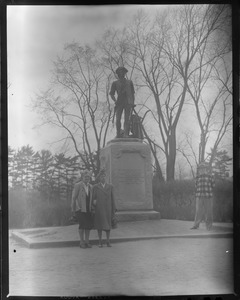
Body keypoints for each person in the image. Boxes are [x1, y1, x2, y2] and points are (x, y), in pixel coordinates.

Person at [92, 169, 116, 247]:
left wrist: (114, 208)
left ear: (106, 177)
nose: (103, 178)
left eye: (104, 176)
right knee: (99, 225)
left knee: (108, 225)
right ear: (99, 178)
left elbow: (113, 198)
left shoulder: (110, 186)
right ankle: (100, 241)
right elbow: (93, 198)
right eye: (101, 176)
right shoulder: (95, 187)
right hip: (99, 208)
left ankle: (108, 241)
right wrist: (94, 205)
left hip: (108, 208)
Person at [109, 66, 135, 138]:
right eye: (120, 72)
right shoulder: (115, 83)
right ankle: (118, 134)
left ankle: (126, 134)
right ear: (118, 74)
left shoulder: (129, 82)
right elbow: (111, 93)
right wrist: (115, 101)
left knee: (127, 119)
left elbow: (132, 94)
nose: (121, 73)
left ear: (124, 73)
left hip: (128, 102)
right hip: (119, 102)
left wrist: (132, 103)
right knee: (118, 119)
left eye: (123, 72)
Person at [71, 170, 93, 248]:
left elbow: (90, 198)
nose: (87, 178)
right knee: (82, 225)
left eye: (88, 177)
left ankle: (87, 241)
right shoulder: (78, 185)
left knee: (88, 226)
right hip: (80, 209)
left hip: (88, 209)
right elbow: (74, 198)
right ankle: (81, 242)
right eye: (85, 177)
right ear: (82, 177)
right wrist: (75, 209)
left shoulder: (90, 186)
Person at [191, 162, 215, 230]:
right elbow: (196, 186)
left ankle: (209, 226)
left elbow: (213, 185)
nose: (202, 170)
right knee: (198, 212)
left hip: (208, 197)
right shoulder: (197, 177)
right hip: (199, 197)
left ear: (206, 169)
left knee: (209, 212)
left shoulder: (210, 176)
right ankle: (196, 225)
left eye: (203, 169)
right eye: (200, 169)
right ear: (199, 170)